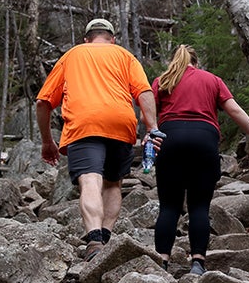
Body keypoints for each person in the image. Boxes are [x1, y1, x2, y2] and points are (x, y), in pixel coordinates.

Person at [36, 18, 160, 260]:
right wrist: (152, 127)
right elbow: (144, 92)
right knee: (113, 184)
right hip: (121, 123)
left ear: (86, 38)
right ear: (112, 39)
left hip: (84, 124)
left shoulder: (72, 55)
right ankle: (106, 235)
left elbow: (43, 102)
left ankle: (94, 241)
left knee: (91, 180)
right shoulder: (124, 55)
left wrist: (46, 141)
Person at [152, 44, 249, 275]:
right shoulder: (212, 80)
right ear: (196, 63)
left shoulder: (162, 81)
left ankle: (162, 261)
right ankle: (197, 262)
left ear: (174, 61)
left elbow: (145, 116)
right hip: (204, 140)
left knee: (169, 206)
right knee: (199, 205)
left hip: (170, 139)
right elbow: (235, 111)